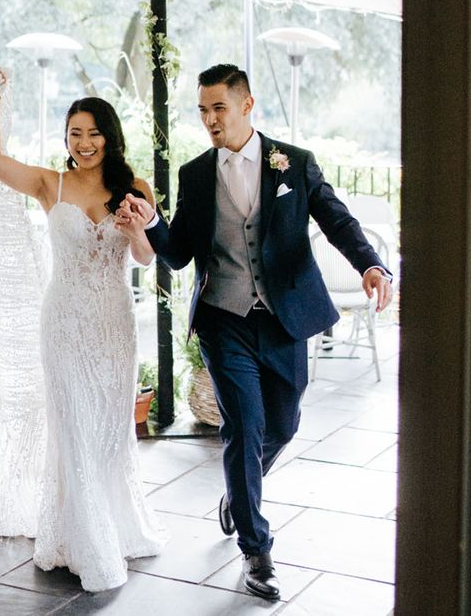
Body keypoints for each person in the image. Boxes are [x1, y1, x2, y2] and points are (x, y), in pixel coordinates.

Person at [117, 63, 392, 601]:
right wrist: (152, 223)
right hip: (225, 319)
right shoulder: (196, 174)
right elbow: (178, 256)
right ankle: (256, 547)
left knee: (283, 426)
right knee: (243, 427)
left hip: (284, 318)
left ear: (247, 105)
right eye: (202, 110)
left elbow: (338, 220)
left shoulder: (295, 163)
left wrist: (371, 265)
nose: (210, 119)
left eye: (219, 107)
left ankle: (240, 493)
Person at [0, 68, 166, 592]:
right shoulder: (52, 183)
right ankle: (88, 543)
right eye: (75, 133)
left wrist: (138, 229)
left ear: (109, 136)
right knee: (73, 428)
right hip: (65, 324)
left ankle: (109, 525)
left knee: (109, 433)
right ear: (67, 139)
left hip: (114, 325)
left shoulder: (135, 186)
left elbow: (145, 258)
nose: (85, 142)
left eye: (93, 132)